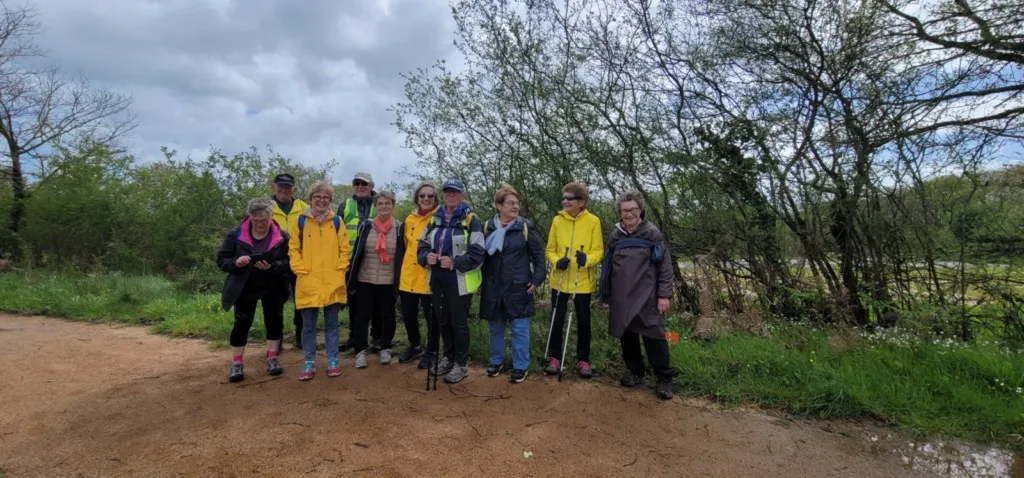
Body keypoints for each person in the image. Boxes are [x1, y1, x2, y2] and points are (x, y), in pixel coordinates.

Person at [598, 190, 678, 400]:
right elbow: (607, 267)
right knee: (627, 337)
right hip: (621, 297)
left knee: (655, 338)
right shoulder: (615, 236)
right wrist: (605, 294)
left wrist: (664, 296)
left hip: (647, 298)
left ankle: (664, 378)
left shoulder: (652, 234)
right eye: (625, 210)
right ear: (620, 212)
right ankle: (635, 372)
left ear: (640, 209)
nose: (629, 214)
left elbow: (665, 268)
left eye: (633, 209)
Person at [417, 178, 485, 384]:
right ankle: (448, 358)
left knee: (458, 322)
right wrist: (426, 257)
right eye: (447, 192)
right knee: (442, 320)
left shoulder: (471, 219)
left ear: (462, 195)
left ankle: (461, 364)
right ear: (443, 195)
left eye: (455, 192)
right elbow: (421, 246)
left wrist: (455, 262)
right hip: (437, 277)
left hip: (460, 280)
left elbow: (478, 253)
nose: (451, 195)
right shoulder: (434, 218)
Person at [216, 198, 292, 383]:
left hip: (273, 285)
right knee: (241, 323)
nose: (260, 224)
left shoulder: (282, 236)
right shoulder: (235, 234)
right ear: (250, 217)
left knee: (274, 322)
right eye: (256, 220)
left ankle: (273, 357)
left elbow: (289, 261)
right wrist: (236, 262)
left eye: (264, 220)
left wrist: (273, 266)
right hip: (244, 286)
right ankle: (237, 362)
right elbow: (222, 260)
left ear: (271, 217)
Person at [479, 184, 546, 383]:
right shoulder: (487, 227)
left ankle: (520, 366)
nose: (515, 206)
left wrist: (537, 280)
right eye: (510, 203)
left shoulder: (524, 227)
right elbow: (479, 257)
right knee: (495, 328)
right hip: (493, 287)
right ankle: (496, 361)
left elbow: (538, 256)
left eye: (516, 203)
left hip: (519, 286)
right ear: (499, 206)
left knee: (519, 329)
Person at [289, 181, 351, 381]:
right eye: (318, 197)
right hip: (308, 280)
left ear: (330, 200)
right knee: (308, 326)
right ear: (311, 199)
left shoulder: (337, 221)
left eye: (326, 197)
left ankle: (333, 359)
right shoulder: (300, 221)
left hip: (333, 281)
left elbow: (344, 248)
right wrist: (300, 269)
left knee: (332, 325)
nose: (322, 200)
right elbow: (293, 248)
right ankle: (309, 361)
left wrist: (340, 269)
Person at [544, 182, 604, 378]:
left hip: (583, 282)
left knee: (583, 322)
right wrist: (556, 261)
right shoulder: (557, 220)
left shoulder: (593, 221)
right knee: (557, 320)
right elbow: (550, 250)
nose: (564, 201)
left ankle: (583, 360)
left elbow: (598, 252)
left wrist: (587, 260)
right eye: (563, 198)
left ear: (581, 202)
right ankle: (554, 358)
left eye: (569, 198)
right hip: (560, 281)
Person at [347, 191, 404, 368]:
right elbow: (358, 252)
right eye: (380, 203)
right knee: (362, 316)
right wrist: (352, 278)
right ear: (375, 206)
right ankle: (360, 350)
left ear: (393, 205)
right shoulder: (366, 226)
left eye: (387, 203)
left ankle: (385, 347)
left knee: (388, 316)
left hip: (388, 280)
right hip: (366, 279)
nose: (384, 206)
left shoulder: (399, 228)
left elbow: (401, 256)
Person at [397, 182, 440, 368]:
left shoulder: (440, 218)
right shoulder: (409, 219)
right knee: (408, 314)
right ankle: (415, 346)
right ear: (417, 198)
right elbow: (406, 245)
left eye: (430, 196)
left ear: (435, 199)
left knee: (432, 319)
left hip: (429, 276)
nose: (426, 199)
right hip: (408, 276)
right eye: (422, 195)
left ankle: (432, 351)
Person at [339, 172, 379, 353]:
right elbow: (336, 232)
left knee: (376, 301)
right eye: (357, 183)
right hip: (350, 261)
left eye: (364, 183)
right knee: (353, 301)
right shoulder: (345, 205)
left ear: (371, 185)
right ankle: (354, 337)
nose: (360, 186)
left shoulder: (379, 203)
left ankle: (377, 338)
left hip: (373, 261)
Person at [269, 173, 309, 351]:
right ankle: (276, 340)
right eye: (281, 186)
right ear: (274, 187)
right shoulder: (266, 207)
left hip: (300, 259)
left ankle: (301, 338)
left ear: (294, 189)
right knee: (275, 301)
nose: (284, 190)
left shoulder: (305, 208)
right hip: (275, 261)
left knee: (302, 300)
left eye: (288, 187)